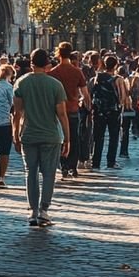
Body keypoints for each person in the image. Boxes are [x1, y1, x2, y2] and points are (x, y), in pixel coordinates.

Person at [11, 49, 71, 227]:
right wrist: (68, 139)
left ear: (31, 63)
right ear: (47, 64)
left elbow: (17, 113)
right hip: (51, 135)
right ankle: (44, 210)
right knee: (49, 174)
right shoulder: (55, 85)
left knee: (31, 173)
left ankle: (32, 211)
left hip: (28, 134)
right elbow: (62, 114)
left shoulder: (21, 83)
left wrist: (15, 134)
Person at [49, 43, 90, 179]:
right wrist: (87, 106)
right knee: (74, 138)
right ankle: (73, 166)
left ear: (58, 54)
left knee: (60, 138)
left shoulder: (53, 73)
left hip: (57, 110)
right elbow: (85, 93)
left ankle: (63, 165)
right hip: (73, 109)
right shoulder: (77, 71)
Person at [90, 55, 127, 170]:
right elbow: (122, 96)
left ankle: (96, 162)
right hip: (113, 111)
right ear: (116, 65)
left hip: (99, 111)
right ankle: (111, 162)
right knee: (113, 137)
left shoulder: (98, 77)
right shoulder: (118, 79)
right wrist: (120, 106)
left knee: (98, 137)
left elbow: (93, 92)